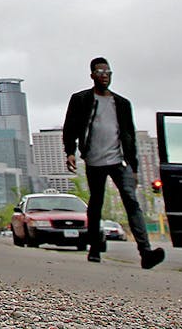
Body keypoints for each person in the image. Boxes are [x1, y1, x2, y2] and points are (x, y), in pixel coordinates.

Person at [62, 57, 165, 269]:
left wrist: (134, 167)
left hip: (119, 161)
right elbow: (70, 127)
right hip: (94, 160)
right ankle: (95, 249)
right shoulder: (81, 99)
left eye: (108, 72)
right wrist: (70, 152)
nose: (104, 76)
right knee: (96, 203)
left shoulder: (122, 103)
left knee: (131, 201)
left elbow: (129, 135)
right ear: (92, 75)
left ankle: (146, 252)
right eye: (100, 72)